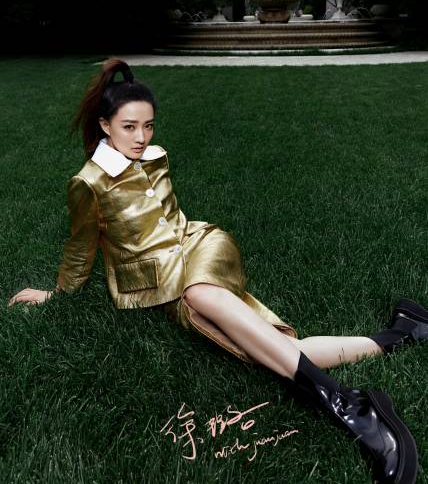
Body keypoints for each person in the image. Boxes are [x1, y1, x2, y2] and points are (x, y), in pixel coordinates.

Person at [8, 58, 428, 483]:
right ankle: (402, 333)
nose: (141, 137)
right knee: (272, 349)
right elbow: (80, 246)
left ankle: (348, 407)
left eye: (148, 126)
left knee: (200, 295)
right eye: (129, 127)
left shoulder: (155, 156)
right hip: (160, 281)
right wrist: (58, 292)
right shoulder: (88, 182)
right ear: (105, 125)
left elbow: (171, 222)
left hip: (201, 248)